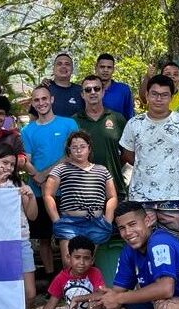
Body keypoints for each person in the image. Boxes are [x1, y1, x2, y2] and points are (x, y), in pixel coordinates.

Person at [120, 74, 179, 234]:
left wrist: (178, 175)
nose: (159, 99)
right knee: (142, 241)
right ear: (147, 95)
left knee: (170, 243)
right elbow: (127, 155)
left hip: (173, 195)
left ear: (171, 97)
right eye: (154, 94)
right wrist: (147, 167)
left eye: (164, 95)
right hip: (141, 195)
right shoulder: (134, 123)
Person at [22, 85, 78, 279]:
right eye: (36, 100)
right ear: (32, 103)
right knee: (44, 238)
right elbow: (25, 160)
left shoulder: (68, 124)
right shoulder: (27, 130)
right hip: (38, 191)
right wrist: (36, 176)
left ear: (52, 99)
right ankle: (51, 278)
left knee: (69, 235)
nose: (41, 103)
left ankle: (73, 276)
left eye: (44, 99)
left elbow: (72, 154)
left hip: (67, 190)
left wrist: (44, 175)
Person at [43, 131, 117, 268]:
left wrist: (108, 219)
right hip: (70, 223)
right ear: (69, 150)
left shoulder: (102, 170)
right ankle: (69, 289)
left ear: (89, 148)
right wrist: (56, 219)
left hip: (96, 222)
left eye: (82, 146)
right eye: (74, 147)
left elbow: (112, 196)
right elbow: (48, 194)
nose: (78, 150)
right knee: (69, 263)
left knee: (88, 264)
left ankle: (89, 289)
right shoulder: (61, 169)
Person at [0, 142, 37, 309]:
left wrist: (31, 196)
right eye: (4, 162)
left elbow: (32, 215)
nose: (8, 167)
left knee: (30, 294)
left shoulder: (18, 185)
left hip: (21, 242)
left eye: (12, 164)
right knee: (2, 293)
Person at [73, 75, 127, 201]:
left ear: (103, 92)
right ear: (82, 94)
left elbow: (127, 153)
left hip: (115, 189)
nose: (92, 92)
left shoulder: (117, 119)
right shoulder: (73, 122)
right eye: (88, 90)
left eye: (96, 89)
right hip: (84, 191)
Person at [94, 53, 135, 121]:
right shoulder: (88, 90)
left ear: (113, 69)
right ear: (96, 67)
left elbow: (130, 117)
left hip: (118, 130)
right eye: (102, 67)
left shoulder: (123, 90)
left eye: (109, 67)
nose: (105, 70)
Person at [46, 52, 84, 117]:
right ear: (53, 69)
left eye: (67, 64)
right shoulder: (45, 89)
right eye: (59, 64)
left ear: (72, 69)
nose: (63, 66)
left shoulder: (81, 91)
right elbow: (34, 118)